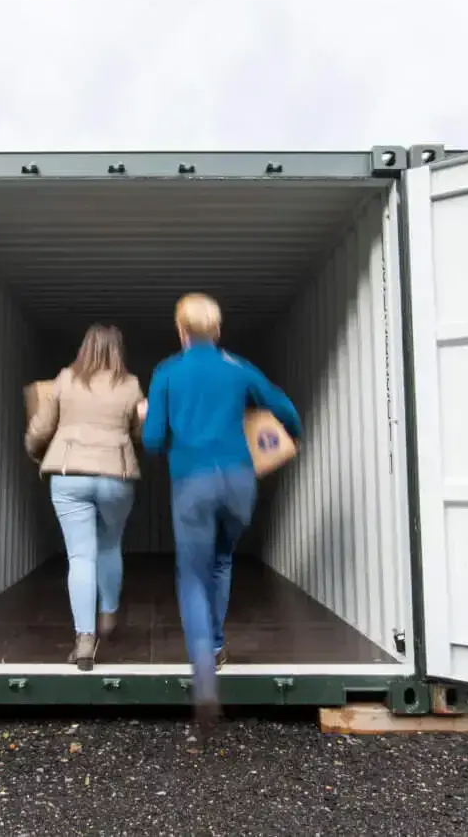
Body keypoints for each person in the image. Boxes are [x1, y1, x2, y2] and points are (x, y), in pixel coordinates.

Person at [139, 294, 302, 725]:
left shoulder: (167, 372)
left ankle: (206, 680)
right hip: (239, 484)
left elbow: (153, 440)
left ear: (180, 330)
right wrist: (293, 436)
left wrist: (149, 417)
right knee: (222, 560)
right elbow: (283, 407)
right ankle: (214, 643)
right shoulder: (238, 368)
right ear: (218, 330)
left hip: (193, 483)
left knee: (192, 575)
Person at [25, 324, 144, 671]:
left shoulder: (65, 379)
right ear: (118, 349)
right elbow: (137, 434)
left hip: (69, 474)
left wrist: (35, 452)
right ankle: (108, 611)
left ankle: (85, 639)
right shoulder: (131, 384)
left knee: (81, 556)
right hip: (115, 476)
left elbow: (42, 427)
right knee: (110, 545)